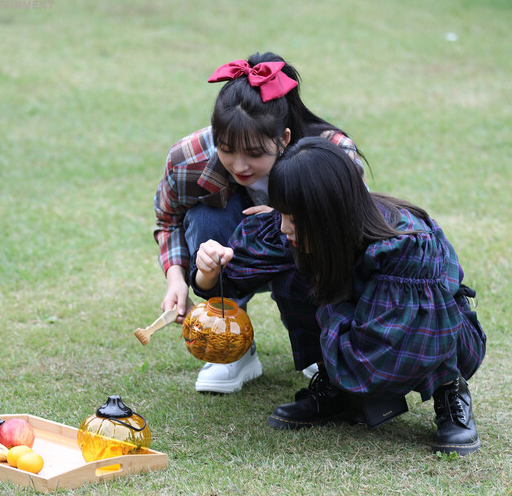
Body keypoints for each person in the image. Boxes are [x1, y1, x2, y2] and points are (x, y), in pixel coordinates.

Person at [191, 138, 486, 455]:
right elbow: (233, 276)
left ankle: (449, 390)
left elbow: (380, 355)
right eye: (280, 213)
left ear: (326, 213)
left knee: (316, 279)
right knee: (295, 270)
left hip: (422, 333)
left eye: (292, 218)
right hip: (359, 326)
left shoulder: (403, 245)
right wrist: (210, 267)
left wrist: (329, 302)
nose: (284, 227)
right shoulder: (301, 226)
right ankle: (337, 389)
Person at [154, 53, 364, 394]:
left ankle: (320, 339)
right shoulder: (188, 158)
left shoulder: (332, 155)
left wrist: (285, 217)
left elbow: (354, 229)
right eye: (226, 149)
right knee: (205, 215)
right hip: (228, 256)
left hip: (304, 256)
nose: (240, 165)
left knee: (315, 231)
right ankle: (231, 343)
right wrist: (175, 279)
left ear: (283, 138)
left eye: (254, 153)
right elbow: (168, 220)